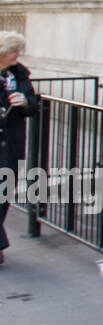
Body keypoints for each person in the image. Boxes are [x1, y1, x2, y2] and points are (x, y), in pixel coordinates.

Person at [0, 32, 39, 266]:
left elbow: (33, 104)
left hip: (12, 142)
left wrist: (24, 102)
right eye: (15, 50)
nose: (19, 54)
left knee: (5, 194)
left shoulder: (20, 74)